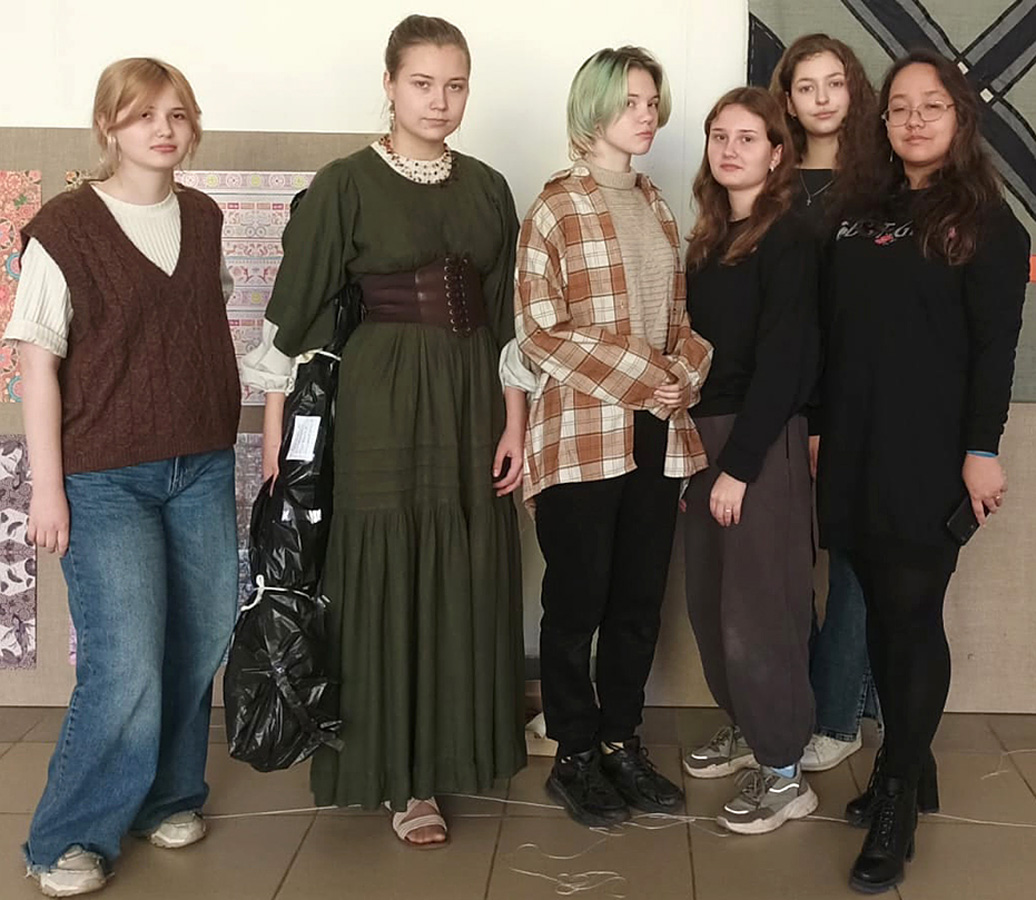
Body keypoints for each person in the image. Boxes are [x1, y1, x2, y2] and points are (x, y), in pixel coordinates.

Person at [240, 14, 527, 848]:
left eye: (455, 85)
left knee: (459, 569)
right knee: (381, 573)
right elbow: (293, 321)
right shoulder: (344, 184)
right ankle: (398, 779)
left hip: (470, 399)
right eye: (422, 83)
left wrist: (514, 421)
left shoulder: (489, 188)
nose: (440, 100)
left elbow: (509, 319)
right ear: (391, 85)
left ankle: (448, 758)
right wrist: (276, 443)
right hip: (378, 403)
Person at [6, 58, 241, 896]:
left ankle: (168, 796)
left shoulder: (204, 217)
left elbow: (200, 321)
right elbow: (38, 362)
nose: (164, 129)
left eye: (177, 114)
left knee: (201, 636)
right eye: (143, 115)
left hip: (202, 464)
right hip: (104, 476)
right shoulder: (65, 227)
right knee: (127, 657)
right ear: (108, 127)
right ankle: (66, 837)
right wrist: (46, 487)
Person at [819, 49, 1029, 893]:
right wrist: (819, 429)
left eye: (930, 105)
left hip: (931, 454)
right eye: (899, 106)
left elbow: (994, 351)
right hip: (854, 445)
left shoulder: (988, 223)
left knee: (911, 616)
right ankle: (912, 762)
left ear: (960, 117)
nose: (912, 119)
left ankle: (898, 800)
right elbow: (835, 330)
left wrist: (982, 451)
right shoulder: (857, 211)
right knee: (878, 608)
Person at [513, 45, 713, 829]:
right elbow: (540, 331)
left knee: (637, 602)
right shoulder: (555, 208)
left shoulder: (659, 207)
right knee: (576, 603)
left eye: (652, 102)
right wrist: (650, 373)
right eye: (632, 101)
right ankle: (574, 753)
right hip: (582, 437)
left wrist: (684, 377)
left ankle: (622, 742)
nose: (647, 114)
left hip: (658, 432)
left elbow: (683, 322)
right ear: (593, 108)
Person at [680, 86, 820, 835]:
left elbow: (786, 363)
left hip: (758, 441)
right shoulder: (708, 240)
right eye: (718, 136)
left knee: (760, 611)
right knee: (709, 605)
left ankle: (784, 770)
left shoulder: (790, 239)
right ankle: (747, 726)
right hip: (702, 439)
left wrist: (738, 466)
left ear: (776, 153)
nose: (730, 149)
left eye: (747, 137)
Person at [770, 33, 882, 773]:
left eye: (833, 83)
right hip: (782, 398)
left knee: (853, 556)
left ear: (853, 90)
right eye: (805, 85)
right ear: (786, 97)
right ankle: (794, 707)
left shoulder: (880, 182)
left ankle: (838, 715)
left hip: (862, 400)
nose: (820, 98)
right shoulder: (771, 180)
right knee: (781, 560)